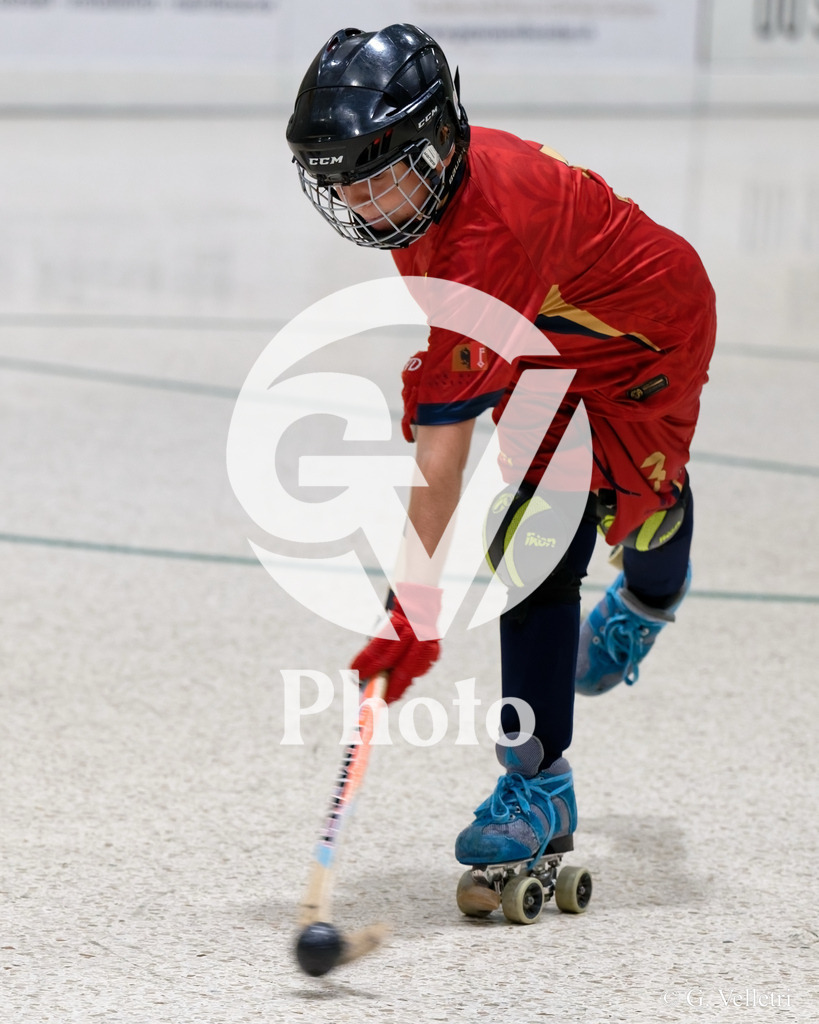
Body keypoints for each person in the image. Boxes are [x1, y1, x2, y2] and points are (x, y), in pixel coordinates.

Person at [286, 24, 716, 873]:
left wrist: (411, 609)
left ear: (437, 143)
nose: (364, 207)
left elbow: (440, 460)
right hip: (539, 327)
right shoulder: (426, 191)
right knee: (533, 539)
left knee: (641, 513)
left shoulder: (484, 239)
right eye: (343, 185)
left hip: (646, 334)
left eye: (376, 180)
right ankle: (538, 783)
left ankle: (647, 603)